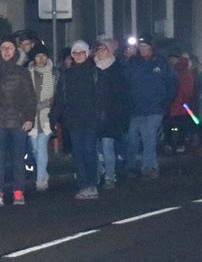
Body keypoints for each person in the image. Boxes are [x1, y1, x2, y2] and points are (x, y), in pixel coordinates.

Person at [0, 35, 36, 206]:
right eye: (3, 47)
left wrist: (29, 117)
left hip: (18, 120)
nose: (6, 51)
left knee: (17, 158)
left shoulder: (22, 72)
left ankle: (18, 192)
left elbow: (29, 97)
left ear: (15, 51)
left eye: (10, 48)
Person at [50, 40, 99, 200]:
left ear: (87, 54)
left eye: (81, 53)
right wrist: (54, 117)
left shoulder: (94, 73)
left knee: (90, 151)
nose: (78, 56)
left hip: (90, 119)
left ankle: (92, 184)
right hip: (74, 120)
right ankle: (84, 184)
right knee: (78, 153)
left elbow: (102, 96)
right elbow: (60, 98)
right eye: (75, 53)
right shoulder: (67, 75)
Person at [124, 36, 177, 179]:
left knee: (149, 136)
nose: (142, 50)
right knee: (132, 137)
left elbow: (171, 82)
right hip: (138, 108)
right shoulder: (134, 63)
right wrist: (127, 59)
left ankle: (150, 167)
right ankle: (132, 165)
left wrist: (165, 102)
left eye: (145, 47)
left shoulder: (161, 62)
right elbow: (125, 80)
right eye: (140, 47)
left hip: (155, 107)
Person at [94, 39, 128, 189]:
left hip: (110, 115)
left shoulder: (117, 69)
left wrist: (118, 113)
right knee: (94, 147)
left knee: (107, 146)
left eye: (104, 49)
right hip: (94, 115)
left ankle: (110, 176)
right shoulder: (92, 68)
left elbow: (121, 94)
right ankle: (98, 172)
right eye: (99, 49)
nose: (100, 52)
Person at [27, 44, 54, 192]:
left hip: (46, 115)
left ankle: (40, 180)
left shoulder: (53, 72)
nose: (41, 59)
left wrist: (46, 103)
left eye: (43, 56)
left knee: (42, 146)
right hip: (31, 116)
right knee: (35, 149)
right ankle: (44, 173)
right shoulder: (28, 73)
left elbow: (56, 94)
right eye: (38, 56)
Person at [166, 53, 193, 153]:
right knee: (179, 125)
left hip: (176, 104)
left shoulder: (175, 72)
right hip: (180, 104)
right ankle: (178, 143)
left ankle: (171, 143)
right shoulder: (185, 73)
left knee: (172, 125)